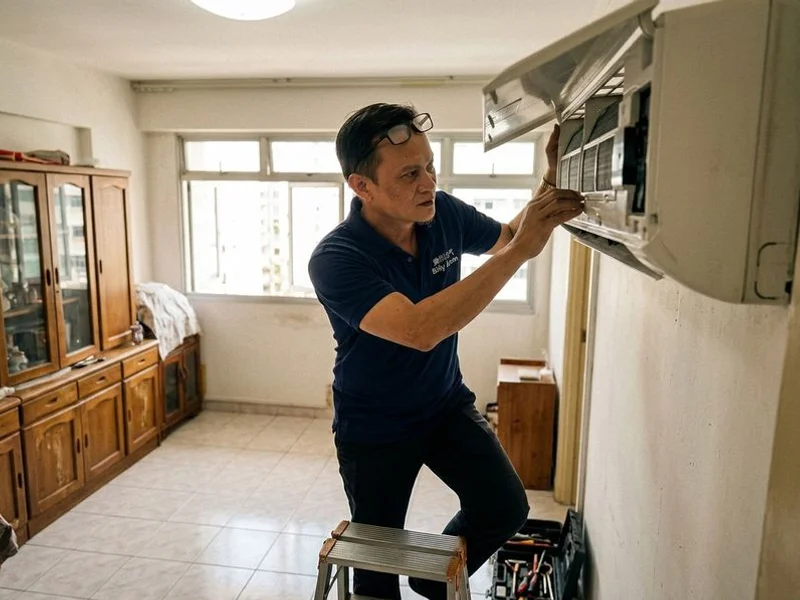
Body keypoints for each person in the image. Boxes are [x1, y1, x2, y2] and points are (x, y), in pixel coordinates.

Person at [308, 103, 583, 600]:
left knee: (503, 505)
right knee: (375, 572)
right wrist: (522, 252)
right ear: (361, 187)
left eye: (430, 166)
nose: (428, 182)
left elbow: (505, 239)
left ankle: (432, 578)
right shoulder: (336, 258)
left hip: (442, 404)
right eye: (410, 173)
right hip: (374, 426)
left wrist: (550, 178)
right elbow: (421, 330)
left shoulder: (444, 213)